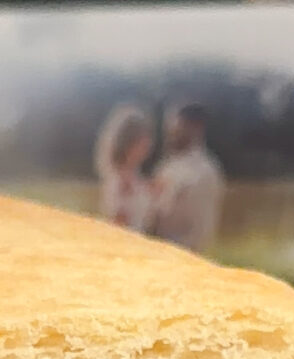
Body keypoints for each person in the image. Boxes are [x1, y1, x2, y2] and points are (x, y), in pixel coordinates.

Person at [152, 103, 226, 253]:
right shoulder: (167, 165)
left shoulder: (204, 172)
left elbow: (198, 228)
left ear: (195, 128)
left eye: (176, 127)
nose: (170, 132)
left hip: (183, 254)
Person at [94, 104, 157, 233]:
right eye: (144, 139)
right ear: (131, 142)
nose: (149, 145)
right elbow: (118, 226)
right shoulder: (119, 181)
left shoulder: (134, 176)